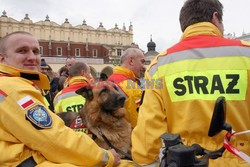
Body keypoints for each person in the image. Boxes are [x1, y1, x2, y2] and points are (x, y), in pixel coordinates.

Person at [132, 0, 250, 166]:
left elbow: (147, 135)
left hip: (187, 160)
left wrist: (147, 162)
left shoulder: (158, 67)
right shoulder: (246, 55)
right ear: (215, 17)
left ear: (185, 25)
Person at [0, 31, 120, 166]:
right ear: (2, 58)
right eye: (22, 51)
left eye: (36, 51)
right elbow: (53, 139)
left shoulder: (15, 84)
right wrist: (105, 157)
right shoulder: (12, 88)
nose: (32, 57)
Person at [108, 48, 145, 129]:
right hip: (130, 137)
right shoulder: (131, 87)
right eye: (142, 61)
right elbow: (138, 124)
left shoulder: (109, 80)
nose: (143, 66)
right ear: (131, 61)